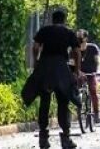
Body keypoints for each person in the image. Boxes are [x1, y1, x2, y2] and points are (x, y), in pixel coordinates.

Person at [25, 9, 81, 149]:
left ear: (52, 19)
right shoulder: (68, 32)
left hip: (45, 67)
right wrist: (77, 71)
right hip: (61, 68)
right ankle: (66, 138)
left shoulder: (44, 30)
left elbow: (36, 46)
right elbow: (76, 52)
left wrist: (37, 62)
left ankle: (43, 138)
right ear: (64, 20)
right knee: (63, 102)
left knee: (45, 101)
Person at [77, 29, 100, 124]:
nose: (78, 39)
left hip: (91, 73)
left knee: (93, 90)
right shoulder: (74, 49)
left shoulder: (93, 48)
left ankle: (96, 112)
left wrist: (98, 70)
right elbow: (72, 63)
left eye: (80, 37)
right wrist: (77, 72)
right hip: (79, 73)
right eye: (77, 37)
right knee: (73, 90)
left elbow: (98, 61)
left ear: (85, 38)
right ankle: (78, 110)